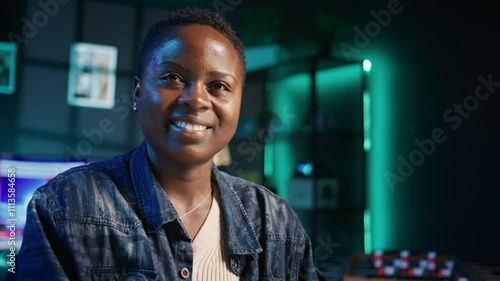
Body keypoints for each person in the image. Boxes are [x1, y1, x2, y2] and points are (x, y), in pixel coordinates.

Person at [7, 7, 328, 281]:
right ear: (137, 92)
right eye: (173, 78)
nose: (196, 99)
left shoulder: (275, 221)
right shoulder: (64, 206)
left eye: (218, 85)